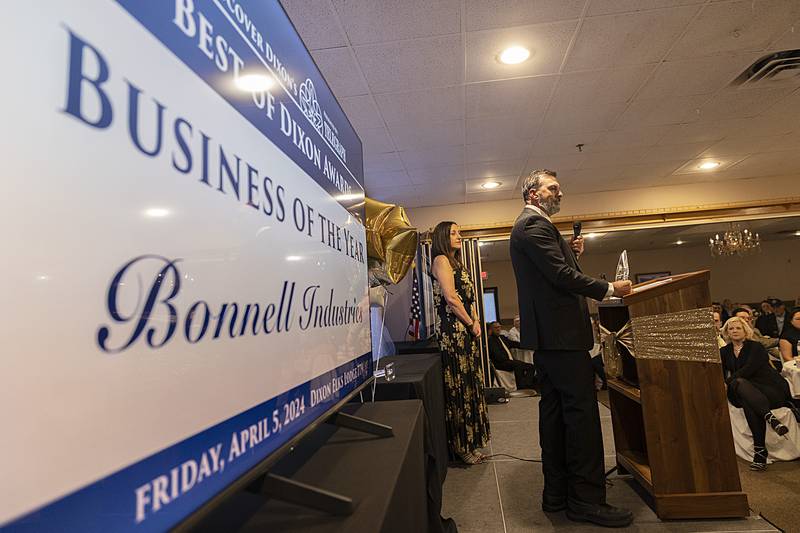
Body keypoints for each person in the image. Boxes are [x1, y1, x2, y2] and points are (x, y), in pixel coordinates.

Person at [510, 169, 633, 528]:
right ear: (532, 194)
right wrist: (610, 288)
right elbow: (561, 278)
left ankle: (558, 494)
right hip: (561, 338)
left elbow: (555, 270)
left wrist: (569, 250)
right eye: (552, 188)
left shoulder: (536, 226)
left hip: (552, 339)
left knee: (557, 415)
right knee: (581, 418)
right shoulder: (534, 226)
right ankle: (587, 500)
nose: (559, 193)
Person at [430, 221, 490, 465]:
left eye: (460, 232)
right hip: (453, 333)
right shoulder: (441, 260)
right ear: (443, 237)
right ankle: (460, 445)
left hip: (465, 331)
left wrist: (475, 319)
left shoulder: (457, 263)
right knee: (459, 389)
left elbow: (469, 298)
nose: (459, 236)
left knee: (470, 386)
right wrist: (470, 323)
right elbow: (452, 298)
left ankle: (472, 442)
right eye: (453, 233)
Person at [720, 316, 795, 470]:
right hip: (745, 390)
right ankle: (770, 419)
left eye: (738, 328)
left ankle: (760, 453)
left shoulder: (756, 347)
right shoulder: (724, 351)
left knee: (745, 395)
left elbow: (748, 370)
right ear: (726, 332)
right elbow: (720, 373)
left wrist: (728, 383)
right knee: (742, 388)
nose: (734, 331)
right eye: (731, 328)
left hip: (769, 389)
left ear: (745, 330)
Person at [487, 321, 537, 391]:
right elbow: (497, 355)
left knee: (531, 366)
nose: (498, 329)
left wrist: (528, 345)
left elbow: (514, 344)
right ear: (491, 329)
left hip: (508, 362)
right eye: (496, 327)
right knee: (517, 365)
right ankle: (522, 386)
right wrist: (510, 360)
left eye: (499, 327)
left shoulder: (502, 337)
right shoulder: (490, 340)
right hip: (500, 363)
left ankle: (526, 384)